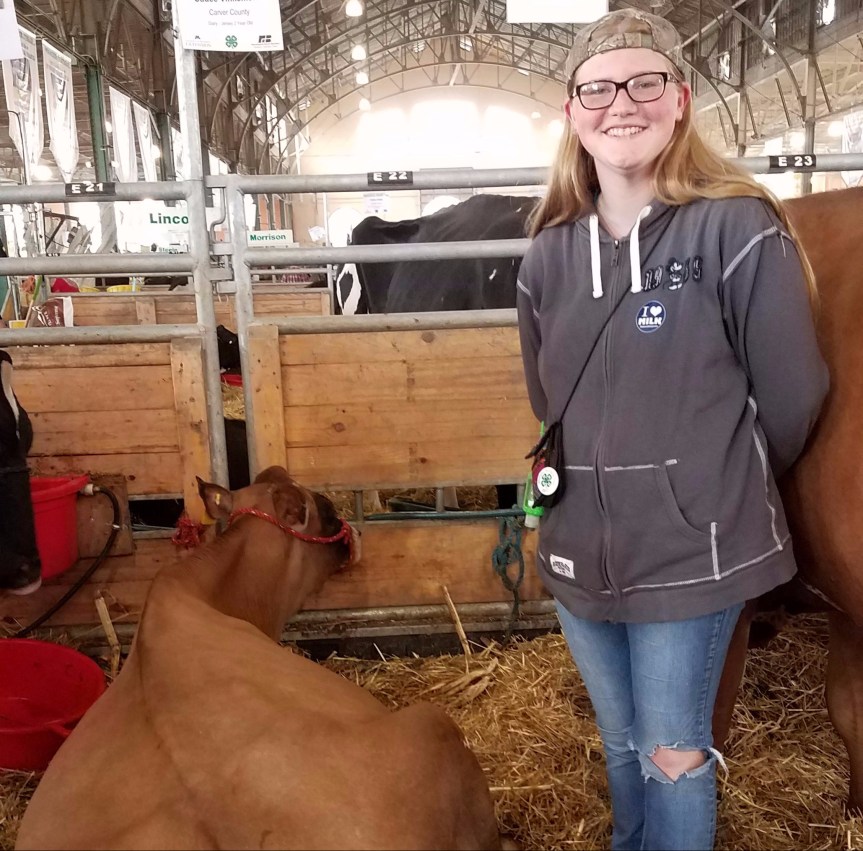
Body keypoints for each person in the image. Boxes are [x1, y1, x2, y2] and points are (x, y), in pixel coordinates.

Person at [516, 9, 829, 851]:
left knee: (672, 753)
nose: (622, 103)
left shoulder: (737, 227)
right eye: (597, 87)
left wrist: (709, 489)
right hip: (580, 544)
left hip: (693, 549)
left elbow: (793, 394)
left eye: (644, 81)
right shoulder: (545, 252)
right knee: (620, 743)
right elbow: (547, 398)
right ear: (572, 112)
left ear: (680, 99)